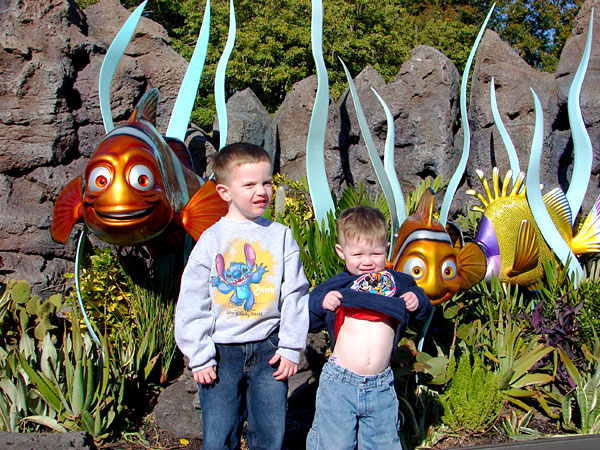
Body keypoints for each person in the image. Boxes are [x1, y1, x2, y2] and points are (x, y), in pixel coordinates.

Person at [175, 143, 309, 450]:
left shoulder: (281, 236)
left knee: (269, 433)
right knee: (219, 436)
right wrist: (199, 354)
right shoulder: (212, 240)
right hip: (221, 355)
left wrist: (290, 346)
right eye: (249, 184)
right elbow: (193, 300)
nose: (260, 190)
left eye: (266, 182)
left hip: (269, 351)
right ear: (225, 192)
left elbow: (296, 294)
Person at [306, 205, 432, 449]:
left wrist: (417, 302)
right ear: (341, 252)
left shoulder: (398, 283)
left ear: (386, 249)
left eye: (375, 254)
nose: (366, 262)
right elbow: (309, 318)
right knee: (334, 443)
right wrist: (322, 303)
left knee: (382, 443)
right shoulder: (339, 285)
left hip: (381, 385)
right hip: (340, 383)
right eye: (358, 255)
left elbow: (424, 312)